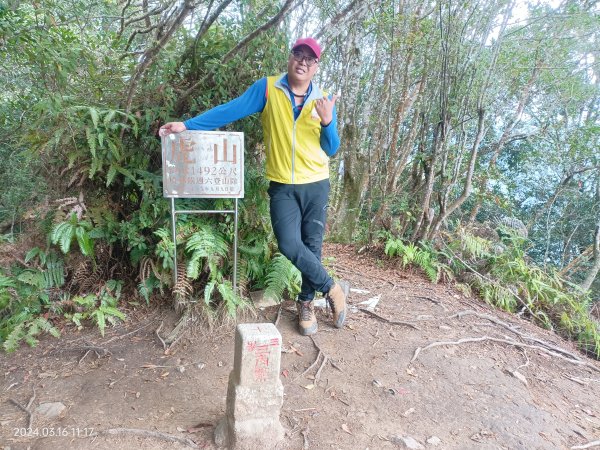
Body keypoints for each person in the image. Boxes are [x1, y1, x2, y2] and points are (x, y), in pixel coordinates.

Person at [160, 37, 348, 336]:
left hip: (316, 184)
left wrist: (328, 122)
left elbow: (332, 147)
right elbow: (230, 110)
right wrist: (188, 124)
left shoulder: (323, 99)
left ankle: (306, 303)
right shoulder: (268, 89)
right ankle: (332, 288)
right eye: (298, 55)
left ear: (316, 67)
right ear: (290, 58)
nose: (302, 62)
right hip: (282, 185)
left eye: (309, 59)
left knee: (312, 247)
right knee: (288, 244)